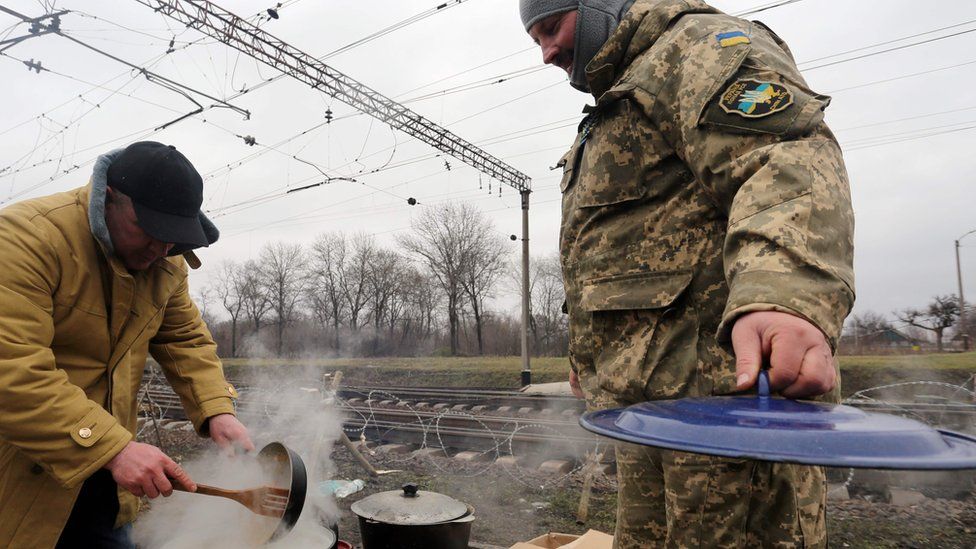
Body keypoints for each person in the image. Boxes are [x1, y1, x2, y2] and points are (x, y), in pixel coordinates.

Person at [519, 0, 854, 547]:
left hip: (726, 417)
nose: (546, 52)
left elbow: (786, 160)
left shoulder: (696, 49)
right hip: (650, 416)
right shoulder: (624, 96)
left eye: (552, 27)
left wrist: (783, 297)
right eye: (535, 40)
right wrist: (588, 357)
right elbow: (625, 252)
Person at [0, 141, 255, 548]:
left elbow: (184, 339)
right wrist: (114, 448)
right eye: (150, 231)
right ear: (108, 198)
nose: (161, 249)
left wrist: (216, 410)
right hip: (20, 475)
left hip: (108, 481)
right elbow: (11, 369)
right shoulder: (25, 238)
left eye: (172, 237)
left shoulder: (164, 261)